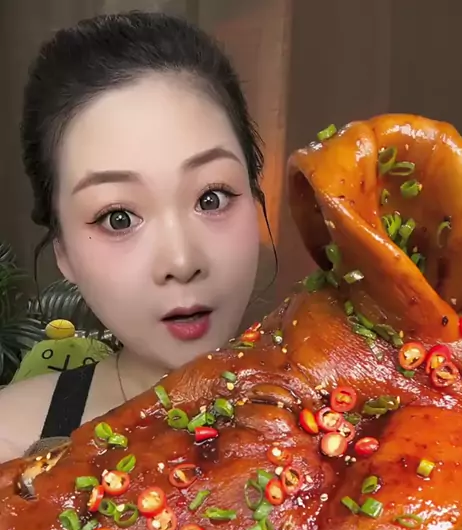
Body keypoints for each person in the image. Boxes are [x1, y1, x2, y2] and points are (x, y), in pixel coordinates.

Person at [0, 10, 265, 462]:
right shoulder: (10, 447)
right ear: (63, 250)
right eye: (118, 218)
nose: (181, 261)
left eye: (211, 198)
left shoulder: (368, 416)